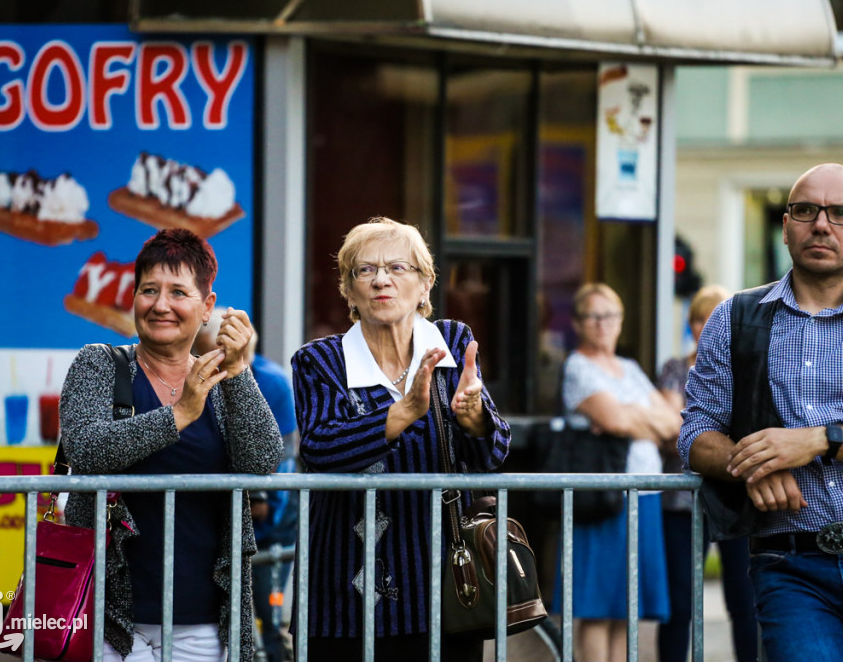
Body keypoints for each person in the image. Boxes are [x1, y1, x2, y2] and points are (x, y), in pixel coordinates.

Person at [679, 163, 843, 661]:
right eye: (805, 210)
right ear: (785, 227)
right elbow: (695, 434)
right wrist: (750, 459)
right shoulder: (732, 318)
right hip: (790, 567)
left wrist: (819, 439)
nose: (821, 224)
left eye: (842, 213)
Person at [290, 216, 511, 662]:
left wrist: (477, 422)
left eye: (397, 268)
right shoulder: (320, 360)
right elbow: (318, 447)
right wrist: (404, 412)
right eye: (364, 270)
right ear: (348, 290)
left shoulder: (452, 342)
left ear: (425, 283)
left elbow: (493, 453)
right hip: (344, 596)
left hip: (447, 587)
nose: (380, 280)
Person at [60, 228, 284, 661]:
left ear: (207, 308)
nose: (161, 305)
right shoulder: (98, 363)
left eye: (178, 292)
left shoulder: (221, 380)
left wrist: (238, 371)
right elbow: (86, 449)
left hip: (204, 619)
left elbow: (262, 460)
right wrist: (179, 414)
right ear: (134, 299)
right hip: (108, 614)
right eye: (149, 290)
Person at [553, 282, 680, 662]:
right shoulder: (578, 366)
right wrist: (637, 418)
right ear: (578, 323)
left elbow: (674, 423)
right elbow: (614, 419)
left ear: (621, 321)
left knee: (628, 609)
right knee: (596, 607)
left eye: (610, 315)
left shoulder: (628, 368)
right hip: (603, 499)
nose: (602, 323)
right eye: (593, 315)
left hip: (646, 498)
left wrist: (631, 418)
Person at [656, 284, 757, 662]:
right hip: (682, 501)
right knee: (679, 601)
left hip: (735, 497)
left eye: (715, 317)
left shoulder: (749, 371)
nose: (706, 326)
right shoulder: (674, 368)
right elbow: (673, 431)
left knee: (744, 601)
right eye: (699, 318)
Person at [194, 307, 299, 662]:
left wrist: (265, 499)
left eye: (215, 350)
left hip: (273, 522)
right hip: (228, 517)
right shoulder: (202, 379)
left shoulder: (272, 382)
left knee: (270, 603)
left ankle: (275, 648)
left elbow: (285, 457)